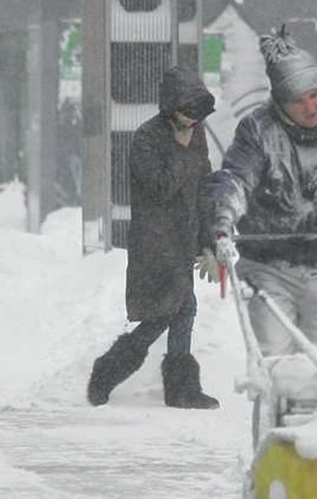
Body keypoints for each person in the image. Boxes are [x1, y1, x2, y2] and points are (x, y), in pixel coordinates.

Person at [203, 28, 317, 360]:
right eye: (298, 101)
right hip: (267, 265)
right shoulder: (258, 130)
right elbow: (235, 178)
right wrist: (222, 221)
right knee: (277, 358)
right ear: (280, 103)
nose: (310, 107)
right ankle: (277, 403)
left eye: (315, 95)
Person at [86, 66, 220, 410]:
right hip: (155, 241)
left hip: (184, 237)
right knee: (167, 311)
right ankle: (111, 373)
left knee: (181, 309)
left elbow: (203, 187)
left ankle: (177, 389)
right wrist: (181, 151)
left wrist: (209, 241)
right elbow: (159, 188)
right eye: (186, 113)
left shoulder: (195, 134)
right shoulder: (148, 137)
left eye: (196, 114)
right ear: (170, 106)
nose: (191, 121)